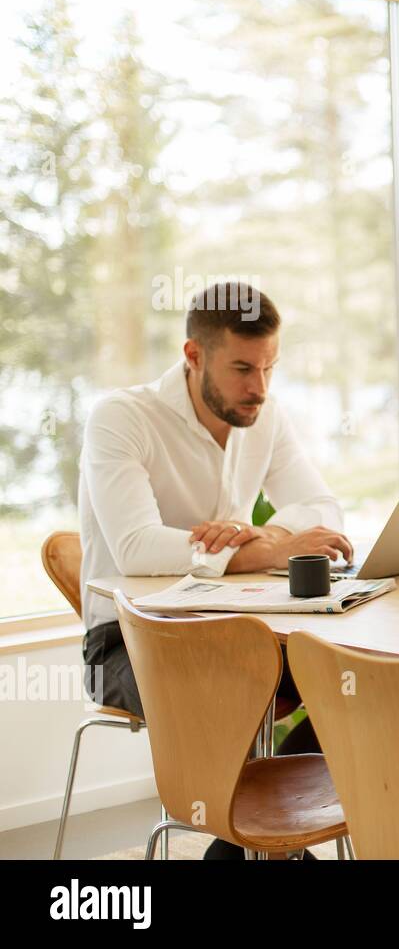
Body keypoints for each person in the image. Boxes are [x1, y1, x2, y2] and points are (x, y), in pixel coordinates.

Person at [78, 281, 353, 858]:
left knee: (357, 684)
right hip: (126, 645)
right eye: (243, 369)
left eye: (270, 368)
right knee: (241, 696)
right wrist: (260, 553)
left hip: (241, 632)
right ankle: (262, 845)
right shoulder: (122, 418)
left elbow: (323, 509)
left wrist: (266, 534)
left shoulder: (264, 417)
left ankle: (263, 843)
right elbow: (137, 548)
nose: (259, 389)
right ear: (193, 355)